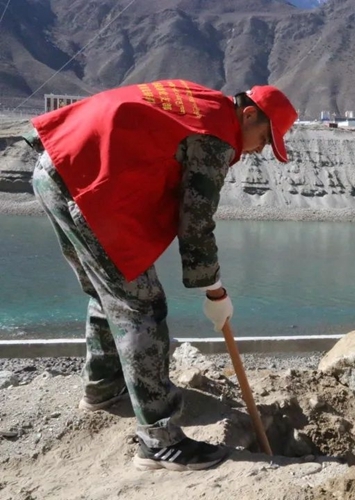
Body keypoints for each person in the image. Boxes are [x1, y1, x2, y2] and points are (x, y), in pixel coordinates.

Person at [24, 80, 298, 471]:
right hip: (83, 182)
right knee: (142, 305)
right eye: (264, 138)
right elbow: (195, 221)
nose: (260, 149)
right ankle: (159, 441)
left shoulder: (203, 103)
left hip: (57, 167)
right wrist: (215, 291)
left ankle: (103, 388)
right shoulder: (218, 135)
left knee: (110, 292)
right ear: (249, 114)